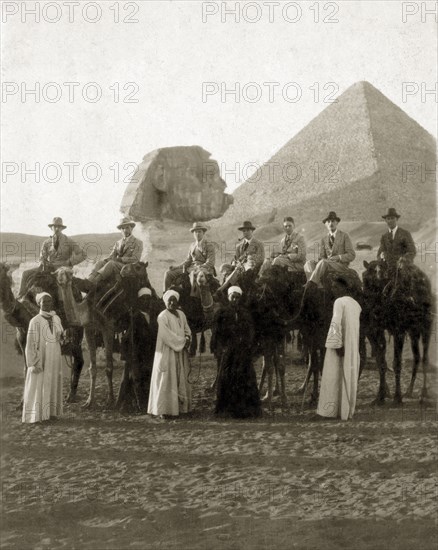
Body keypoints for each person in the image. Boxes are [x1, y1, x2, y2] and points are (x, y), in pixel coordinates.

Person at [211, 286, 262, 419]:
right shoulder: (222, 312)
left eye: (237, 297)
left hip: (243, 350)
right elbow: (216, 332)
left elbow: (251, 330)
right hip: (229, 350)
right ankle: (226, 409)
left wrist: (249, 344)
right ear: (228, 297)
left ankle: (245, 410)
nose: (235, 299)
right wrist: (220, 347)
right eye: (232, 296)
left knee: (245, 376)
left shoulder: (245, 313)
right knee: (227, 376)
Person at [316, 276, 362, 420]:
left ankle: (328, 411)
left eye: (336, 287)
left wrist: (336, 344)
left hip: (338, 345)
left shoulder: (339, 302)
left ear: (344, 288)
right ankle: (345, 411)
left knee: (332, 377)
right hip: (352, 346)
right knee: (347, 375)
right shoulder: (356, 304)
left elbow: (335, 323)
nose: (333, 290)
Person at [147, 290, 192, 418]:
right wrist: (183, 341)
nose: (172, 303)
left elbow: (186, 329)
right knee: (167, 379)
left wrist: (188, 337)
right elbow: (166, 336)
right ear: (165, 302)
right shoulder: (162, 316)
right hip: (167, 352)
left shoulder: (181, 314)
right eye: (169, 300)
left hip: (180, 351)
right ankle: (165, 410)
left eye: (174, 300)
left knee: (180, 377)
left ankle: (181, 408)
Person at [22, 292, 65, 423]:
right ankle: (38, 416)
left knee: (52, 382)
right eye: (44, 301)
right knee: (40, 384)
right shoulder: (35, 321)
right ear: (38, 303)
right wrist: (34, 362)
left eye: (49, 301)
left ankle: (51, 413)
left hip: (54, 356)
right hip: (41, 358)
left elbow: (59, 336)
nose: (47, 304)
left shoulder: (56, 318)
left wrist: (63, 337)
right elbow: (30, 343)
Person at [117, 287, 162, 412]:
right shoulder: (135, 317)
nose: (146, 302)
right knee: (138, 380)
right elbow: (130, 338)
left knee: (149, 379)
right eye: (143, 299)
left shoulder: (154, 316)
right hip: (138, 355)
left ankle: (148, 405)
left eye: (148, 299)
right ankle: (141, 406)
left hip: (151, 354)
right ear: (139, 301)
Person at [18, 217, 85, 299]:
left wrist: (69, 262)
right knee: (26, 273)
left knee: (61, 279)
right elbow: (42, 256)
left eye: (59, 227)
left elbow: (83, 254)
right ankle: (20, 297)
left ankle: (63, 302)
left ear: (62, 228)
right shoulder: (47, 242)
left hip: (63, 268)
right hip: (48, 267)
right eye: (54, 227)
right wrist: (43, 261)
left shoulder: (69, 241)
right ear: (51, 228)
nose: (56, 229)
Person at [304, 211, 355, 289]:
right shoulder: (324, 239)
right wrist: (318, 261)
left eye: (333, 221)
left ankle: (311, 283)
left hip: (340, 266)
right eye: (328, 221)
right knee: (309, 263)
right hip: (327, 265)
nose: (331, 223)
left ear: (337, 222)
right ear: (326, 224)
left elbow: (352, 255)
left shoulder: (344, 236)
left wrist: (338, 257)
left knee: (324, 262)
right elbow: (322, 257)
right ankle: (317, 284)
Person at [87, 217, 143, 286]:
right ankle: (88, 281)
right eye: (123, 228)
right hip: (117, 265)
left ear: (131, 228)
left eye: (127, 228)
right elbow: (112, 256)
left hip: (128, 268)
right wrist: (105, 260)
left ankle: (94, 282)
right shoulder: (118, 243)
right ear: (121, 230)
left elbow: (136, 258)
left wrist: (121, 259)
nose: (125, 230)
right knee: (100, 262)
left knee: (111, 264)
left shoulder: (138, 242)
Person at [163, 222, 216, 293]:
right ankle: (166, 295)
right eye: (195, 232)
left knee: (194, 278)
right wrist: (177, 267)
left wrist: (198, 267)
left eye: (199, 232)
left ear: (203, 233)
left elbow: (210, 262)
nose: (197, 234)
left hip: (204, 269)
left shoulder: (209, 245)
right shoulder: (192, 245)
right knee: (168, 273)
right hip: (191, 268)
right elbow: (188, 261)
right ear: (193, 234)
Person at [217, 221, 265, 293]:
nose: (245, 232)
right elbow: (235, 259)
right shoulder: (239, 246)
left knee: (239, 271)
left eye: (248, 230)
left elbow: (261, 259)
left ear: (252, 231)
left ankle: (223, 287)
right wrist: (235, 263)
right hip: (239, 267)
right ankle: (235, 287)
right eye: (244, 231)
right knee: (223, 267)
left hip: (251, 268)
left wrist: (250, 261)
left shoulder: (258, 244)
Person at [377, 208, 416, 278]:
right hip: (388, 269)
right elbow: (379, 254)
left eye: (392, 218)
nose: (390, 221)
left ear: (396, 219)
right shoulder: (384, 237)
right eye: (388, 219)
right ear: (385, 220)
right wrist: (381, 257)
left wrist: (403, 260)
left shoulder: (405, 234)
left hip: (403, 268)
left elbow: (412, 251)